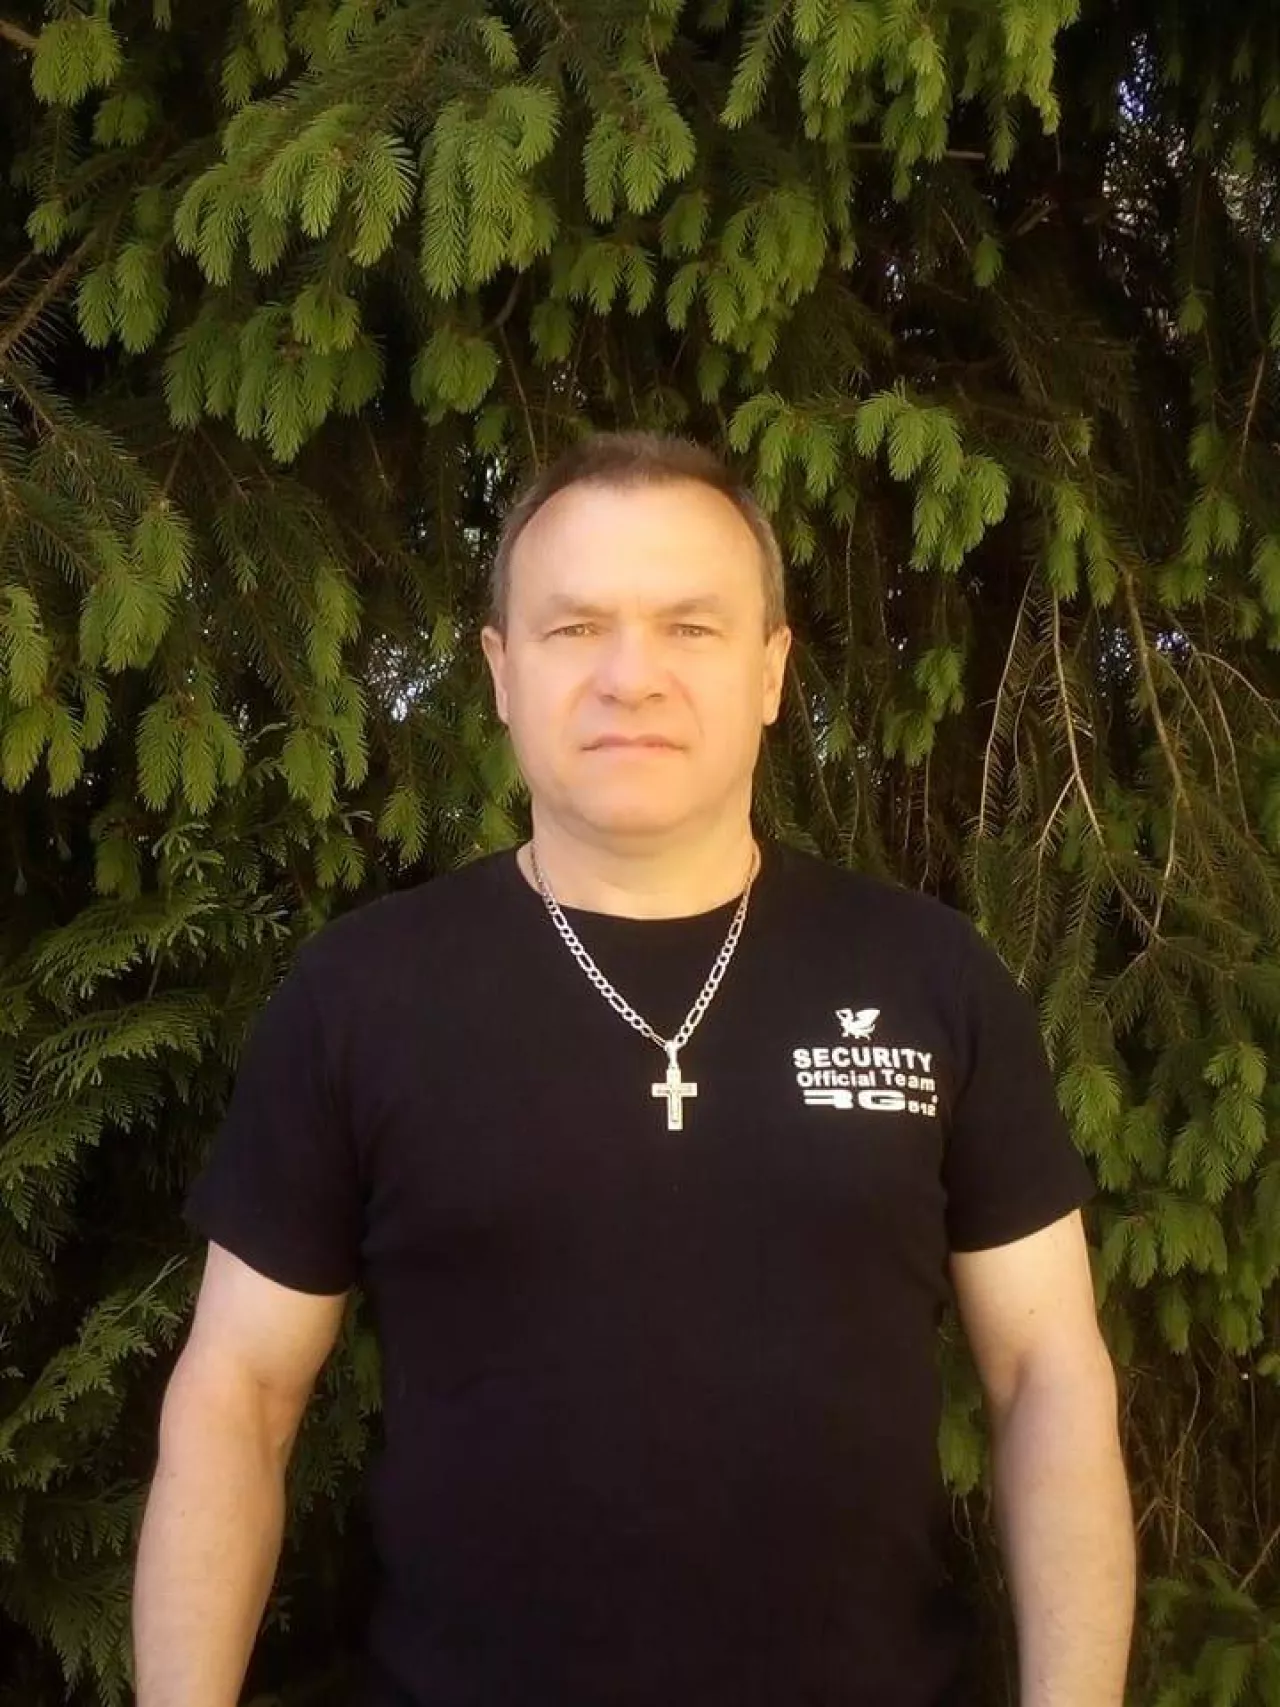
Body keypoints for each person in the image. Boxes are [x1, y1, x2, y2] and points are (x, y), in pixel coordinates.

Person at [132, 431, 1136, 1707]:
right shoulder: (360, 996)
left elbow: (1046, 1378)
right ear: (501, 671)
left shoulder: (933, 978)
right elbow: (239, 1395)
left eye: (689, 628)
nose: (629, 678)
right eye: (574, 629)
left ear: (770, 670)